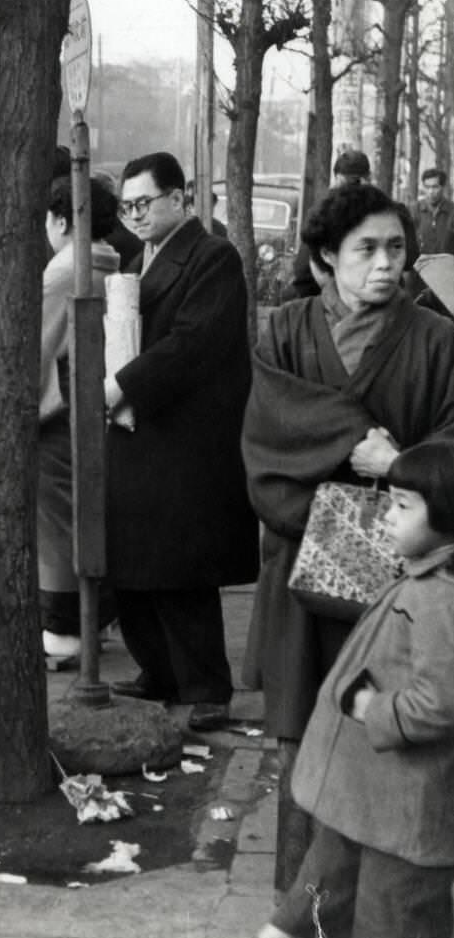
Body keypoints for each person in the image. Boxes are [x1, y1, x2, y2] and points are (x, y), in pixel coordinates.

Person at [242, 182, 454, 891]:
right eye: (365, 248)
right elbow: (268, 430)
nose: (385, 263)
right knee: (304, 733)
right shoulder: (287, 329)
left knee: (390, 737)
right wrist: (351, 456)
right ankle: (301, 899)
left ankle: (378, 899)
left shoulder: (437, 338)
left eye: (396, 247)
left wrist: (398, 466)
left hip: (406, 575)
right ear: (326, 256)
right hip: (304, 565)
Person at [258, 440, 454, 938]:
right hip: (372, 796)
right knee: (323, 890)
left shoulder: (438, 599)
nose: (387, 516)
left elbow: (439, 704)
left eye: (404, 506)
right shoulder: (422, 579)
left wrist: (372, 707)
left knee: (391, 916)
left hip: (406, 813)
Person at [104, 151, 258, 731]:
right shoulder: (133, 258)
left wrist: (119, 385)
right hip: (140, 426)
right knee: (135, 564)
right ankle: (159, 672)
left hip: (187, 433)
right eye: (127, 206)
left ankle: (206, 686)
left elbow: (193, 345)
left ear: (180, 198)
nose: (136, 215)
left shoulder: (212, 257)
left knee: (183, 569)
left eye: (145, 203)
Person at [38, 175, 120, 660]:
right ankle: (94, 620)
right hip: (94, 401)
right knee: (87, 511)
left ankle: (65, 633)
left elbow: (40, 347)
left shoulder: (64, 271)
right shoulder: (109, 260)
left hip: (60, 408)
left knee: (57, 522)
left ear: (63, 220)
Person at [285, 148, 417, 299]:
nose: (348, 191)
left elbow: (408, 265)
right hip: (321, 297)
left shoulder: (391, 215)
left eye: (354, 182)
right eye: (345, 183)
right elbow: (308, 270)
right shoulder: (326, 215)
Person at [411, 165, 454, 256]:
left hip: (448, 265)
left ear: (443, 187)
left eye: (435, 187)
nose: (430, 191)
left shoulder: (452, 211)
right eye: (427, 187)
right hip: (420, 265)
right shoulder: (415, 209)